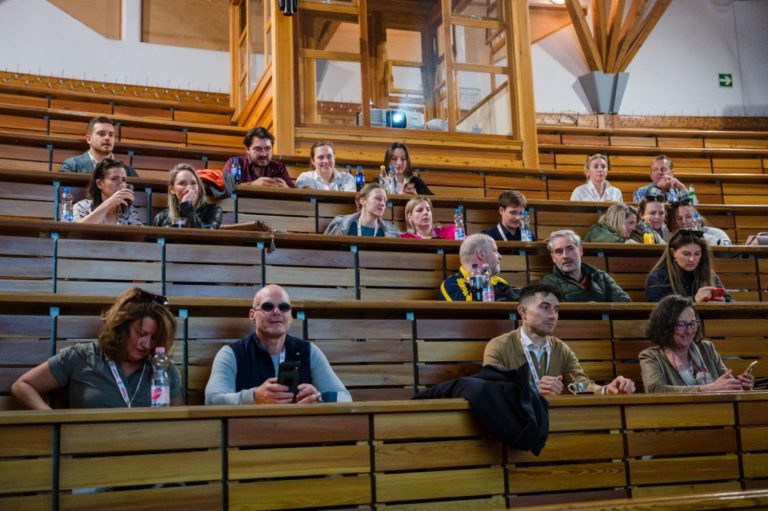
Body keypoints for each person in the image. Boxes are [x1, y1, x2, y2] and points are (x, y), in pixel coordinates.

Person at [10, 287, 182, 409]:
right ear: (122, 326)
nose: (147, 344)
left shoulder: (164, 369)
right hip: (87, 447)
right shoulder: (81, 356)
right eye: (141, 334)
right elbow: (23, 385)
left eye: (154, 338)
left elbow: (179, 423)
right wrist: (52, 421)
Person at [205, 284, 351, 405]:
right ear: (252, 315)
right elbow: (212, 400)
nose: (276, 312)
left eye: (284, 307)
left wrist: (319, 398)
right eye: (268, 306)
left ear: (290, 316)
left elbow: (345, 398)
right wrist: (254, 397)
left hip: (300, 429)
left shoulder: (309, 351)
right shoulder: (231, 354)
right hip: (250, 430)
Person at [483, 283, 635, 395]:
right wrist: (534, 390)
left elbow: (580, 384)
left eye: (556, 310)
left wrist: (606, 390)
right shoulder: (499, 346)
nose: (552, 316)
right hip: (517, 421)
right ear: (523, 312)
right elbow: (492, 390)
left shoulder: (561, 348)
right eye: (545, 307)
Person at [640, 295, 753, 393]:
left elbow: (726, 384)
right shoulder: (651, 356)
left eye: (693, 323)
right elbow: (655, 389)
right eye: (681, 324)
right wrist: (706, 389)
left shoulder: (706, 348)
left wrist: (741, 387)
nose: (689, 331)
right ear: (665, 326)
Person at [540, 229, 631, 302]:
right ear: (553, 258)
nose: (565, 256)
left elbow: (625, 303)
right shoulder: (548, 283)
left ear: (580, 251)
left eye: (570, 249)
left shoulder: (600, 276)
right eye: (559, 252)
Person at [645, 229, 731, 302]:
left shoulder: (710, 275)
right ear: (673, 252)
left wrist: (722, 303)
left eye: (697, 254)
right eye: (686, 254)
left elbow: (730, 302)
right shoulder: (658, 277)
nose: (692, 259)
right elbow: (658, 310)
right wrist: (694, 300)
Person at [439, 233, 520, 301]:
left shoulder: (498, 282)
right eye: (495, 251)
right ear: (481, 254)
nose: (500, 256)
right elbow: (474, 309)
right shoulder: (451, 285)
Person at [61, 116, 138, 177]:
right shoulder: (72, 166)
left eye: (111, 135)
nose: (107, 138)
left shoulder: (128, 170)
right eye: (101, 134)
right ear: (89, 139)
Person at [73, 158, 142, 225]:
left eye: (123, 180)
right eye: (114, 179)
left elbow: (139, 231)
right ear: (99, 184)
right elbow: (77, 229)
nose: (121, 184)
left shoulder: (129, 210)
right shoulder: (83, 206)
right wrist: (110, 203)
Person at [153, 163, 223, 229]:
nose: (189, 188)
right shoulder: (161, 217)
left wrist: (187, 207)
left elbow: (204, 235)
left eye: (193, 183)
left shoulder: (212, 211)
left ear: (198, 188)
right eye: (182, 183)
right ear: (172, 189)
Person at [222, 127, 294, 187]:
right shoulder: (235, 163)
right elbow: (226, 187)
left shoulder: (278, 167)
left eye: (267, 148)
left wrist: (286, 188)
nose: (263, 154)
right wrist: (251, 185)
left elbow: (294, 192)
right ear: (247, 149)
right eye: (258, 149)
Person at [324, 183, 400, 237]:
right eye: (378, 198)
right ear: (363, 201)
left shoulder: (392, 231)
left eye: (385, 201)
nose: (383, 204)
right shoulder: (340, 224)